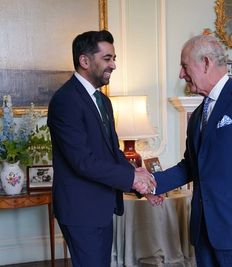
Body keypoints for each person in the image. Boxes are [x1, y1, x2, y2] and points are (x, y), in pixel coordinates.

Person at [148, 35, 232, 267]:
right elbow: (191, 166)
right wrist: (153, 183)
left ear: (205, 63)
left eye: (184, 66)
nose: (181, 74)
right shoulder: (197, 116)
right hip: (205, 232)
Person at [47, 30, 155, 267]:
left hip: (101, 205)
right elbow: (82, 161)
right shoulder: (65, 101)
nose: (114, 65)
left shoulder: (103, 100)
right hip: (81, 210)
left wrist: (137, 175)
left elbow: (111, 151)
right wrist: (131, 178)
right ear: (84, 61)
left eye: (114, 58)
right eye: (107, 58)